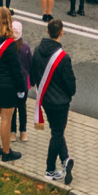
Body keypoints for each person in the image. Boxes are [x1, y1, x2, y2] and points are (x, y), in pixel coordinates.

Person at [30, 17, 76, 184]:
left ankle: (65, 160)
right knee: (57, 133)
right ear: (61, 32)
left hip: (45, 99)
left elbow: (33, 72)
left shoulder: (37, 50)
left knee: (56, 130)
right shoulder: (63, 58)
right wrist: (70, 93)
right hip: (61, 102)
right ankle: (50, 169)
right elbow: (69, 83)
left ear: (48, 31)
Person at [0, 9, 29, 160]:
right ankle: (7, 152)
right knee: (6, 118)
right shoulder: (9, 44)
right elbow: (16, 69)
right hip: (8, 85)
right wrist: (21, 87)